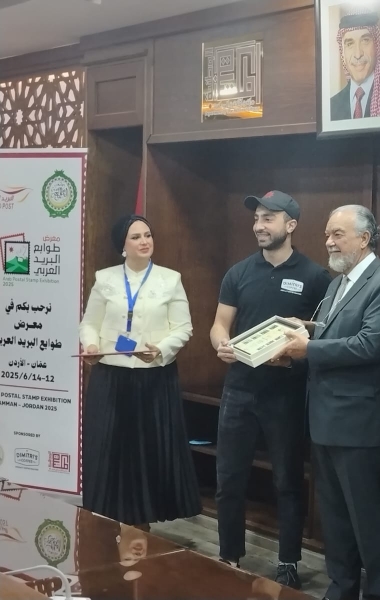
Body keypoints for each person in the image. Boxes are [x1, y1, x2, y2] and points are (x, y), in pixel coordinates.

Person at [275, 205, 380, 600]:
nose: (329, 242)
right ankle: (341, 590)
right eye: (327, 235)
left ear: (364, 239)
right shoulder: (337, 284)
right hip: (325, 419)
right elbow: (330, 338)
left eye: (337, 234)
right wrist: (299, 342)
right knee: (335, 520)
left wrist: (308, 348)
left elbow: (368, 345)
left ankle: (378, 594)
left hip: (360, 424)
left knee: (368, 522)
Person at [210, 191, 331, 589]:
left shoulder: (315, 276)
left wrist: (294, 357)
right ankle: (229, 555)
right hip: (239, 389)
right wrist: (220, 343)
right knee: (229, 479)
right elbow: (219, 324)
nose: (259, 226)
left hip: (286, 395)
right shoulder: (239, 272)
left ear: (290, 225)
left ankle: (288, 561)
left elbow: (322, 337)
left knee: (288, 482)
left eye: (268, 218)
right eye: (256, 218)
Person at [79, 214, 201, 528]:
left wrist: (160, 349)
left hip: (154, 378)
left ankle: (144, 523)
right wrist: (91, 345)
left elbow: (183, 328)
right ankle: (106, 524)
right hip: (111, 378)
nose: (145, 241)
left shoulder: (170, 279)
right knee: (110, 450)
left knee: (147, 452)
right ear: (122, 245)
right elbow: (90, 323)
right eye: (136, 237)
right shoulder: (105, 279)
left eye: (148, 235)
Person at [330, 11, 380, 121]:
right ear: (343, 52)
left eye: (365, 41)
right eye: (349, 44)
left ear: (377, 46)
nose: (358, 54)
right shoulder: (332, 106)